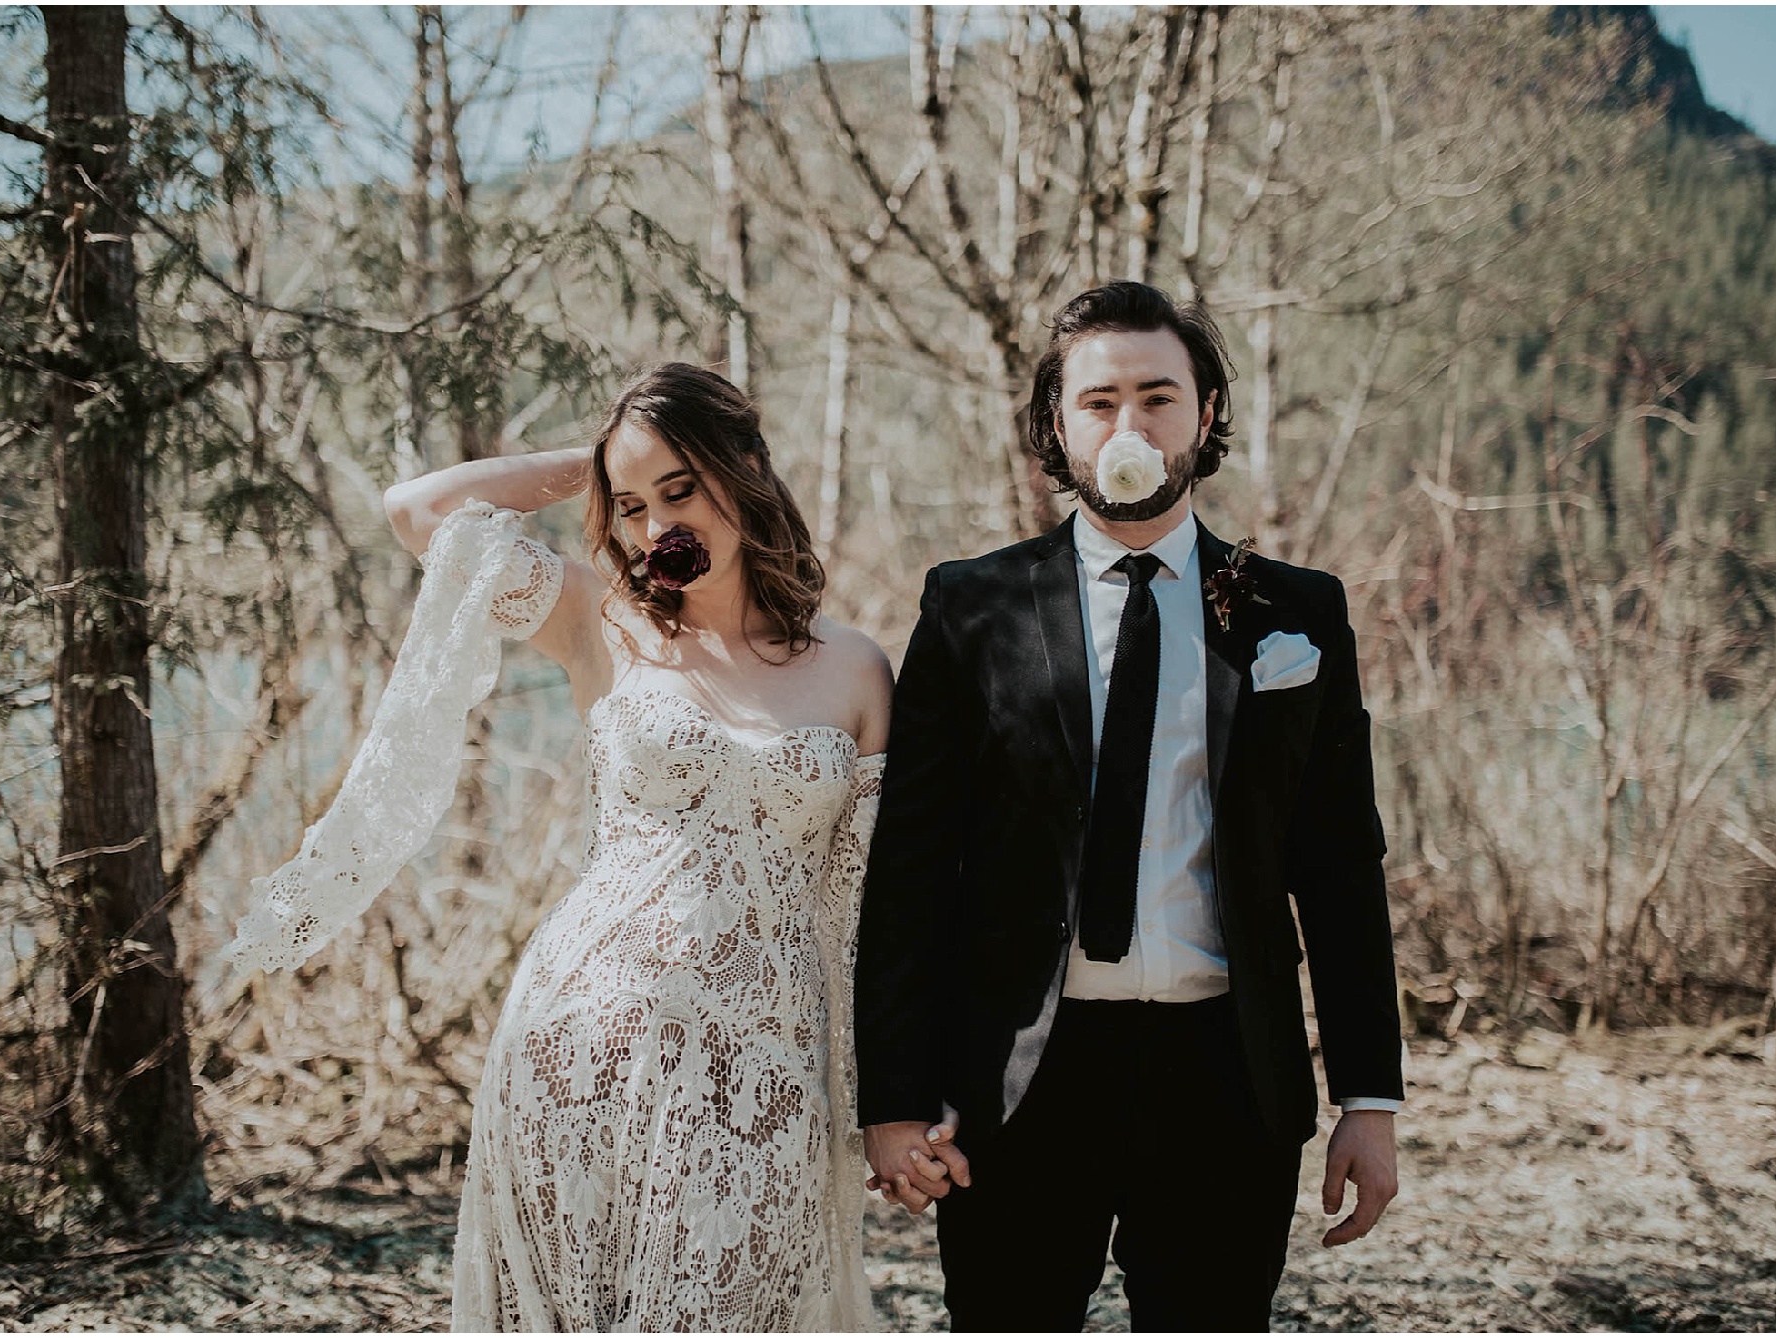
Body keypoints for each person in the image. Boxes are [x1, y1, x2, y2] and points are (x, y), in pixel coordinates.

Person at [226, 363, 895, 1331]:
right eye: (630, 505)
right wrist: (591, 467)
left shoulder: (855, 670)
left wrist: (874, 1098)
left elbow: (864, 911)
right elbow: (418, 512)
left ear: (746, 470)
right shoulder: (600, 622)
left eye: (682, 487)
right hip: (579, 1041)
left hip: (758, 1074)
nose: (657, 523)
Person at [855, 281, 1404, 1332]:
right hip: (1020, 1078)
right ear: (1056, 428)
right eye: (1098, 402)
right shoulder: (969, 606)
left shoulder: (1297, 613)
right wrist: (893, 1099)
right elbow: (912, 871)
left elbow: (1338, 871)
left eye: (1157, 397)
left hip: (1226, 1080)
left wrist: (1366, 1103)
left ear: (1203, 416)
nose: (1129, 425)